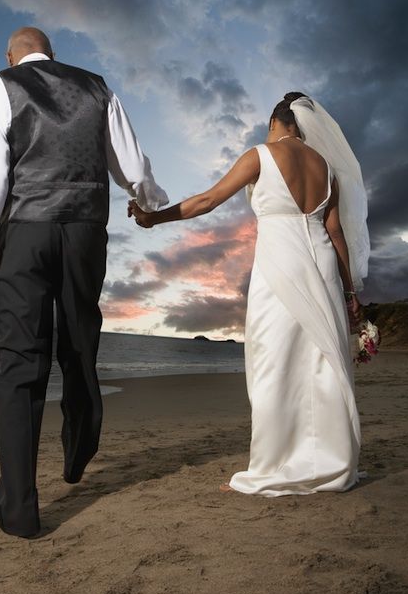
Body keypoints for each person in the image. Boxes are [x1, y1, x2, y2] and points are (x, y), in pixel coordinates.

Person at [0, 27, 168, 537]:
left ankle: (21, 509)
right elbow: (132, 164)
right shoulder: (97, 88)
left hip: (25, 233)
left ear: (10, 55)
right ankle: (79, 447)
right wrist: (149, 203)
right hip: (86, 234)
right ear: (54, 55)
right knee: (79, 344)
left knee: (20, 362)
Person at [129, 92, 368, 496]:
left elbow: (208, 200)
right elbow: (337, 233)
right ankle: (332, 462)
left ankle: (274, 465)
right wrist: (351, 293)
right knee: (322, 364)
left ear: (275, 122)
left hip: (280, 263)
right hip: (324, 267)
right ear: (303, 126)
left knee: (273, 363)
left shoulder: (261, 154)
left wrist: (155, 219)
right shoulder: (327, 169)